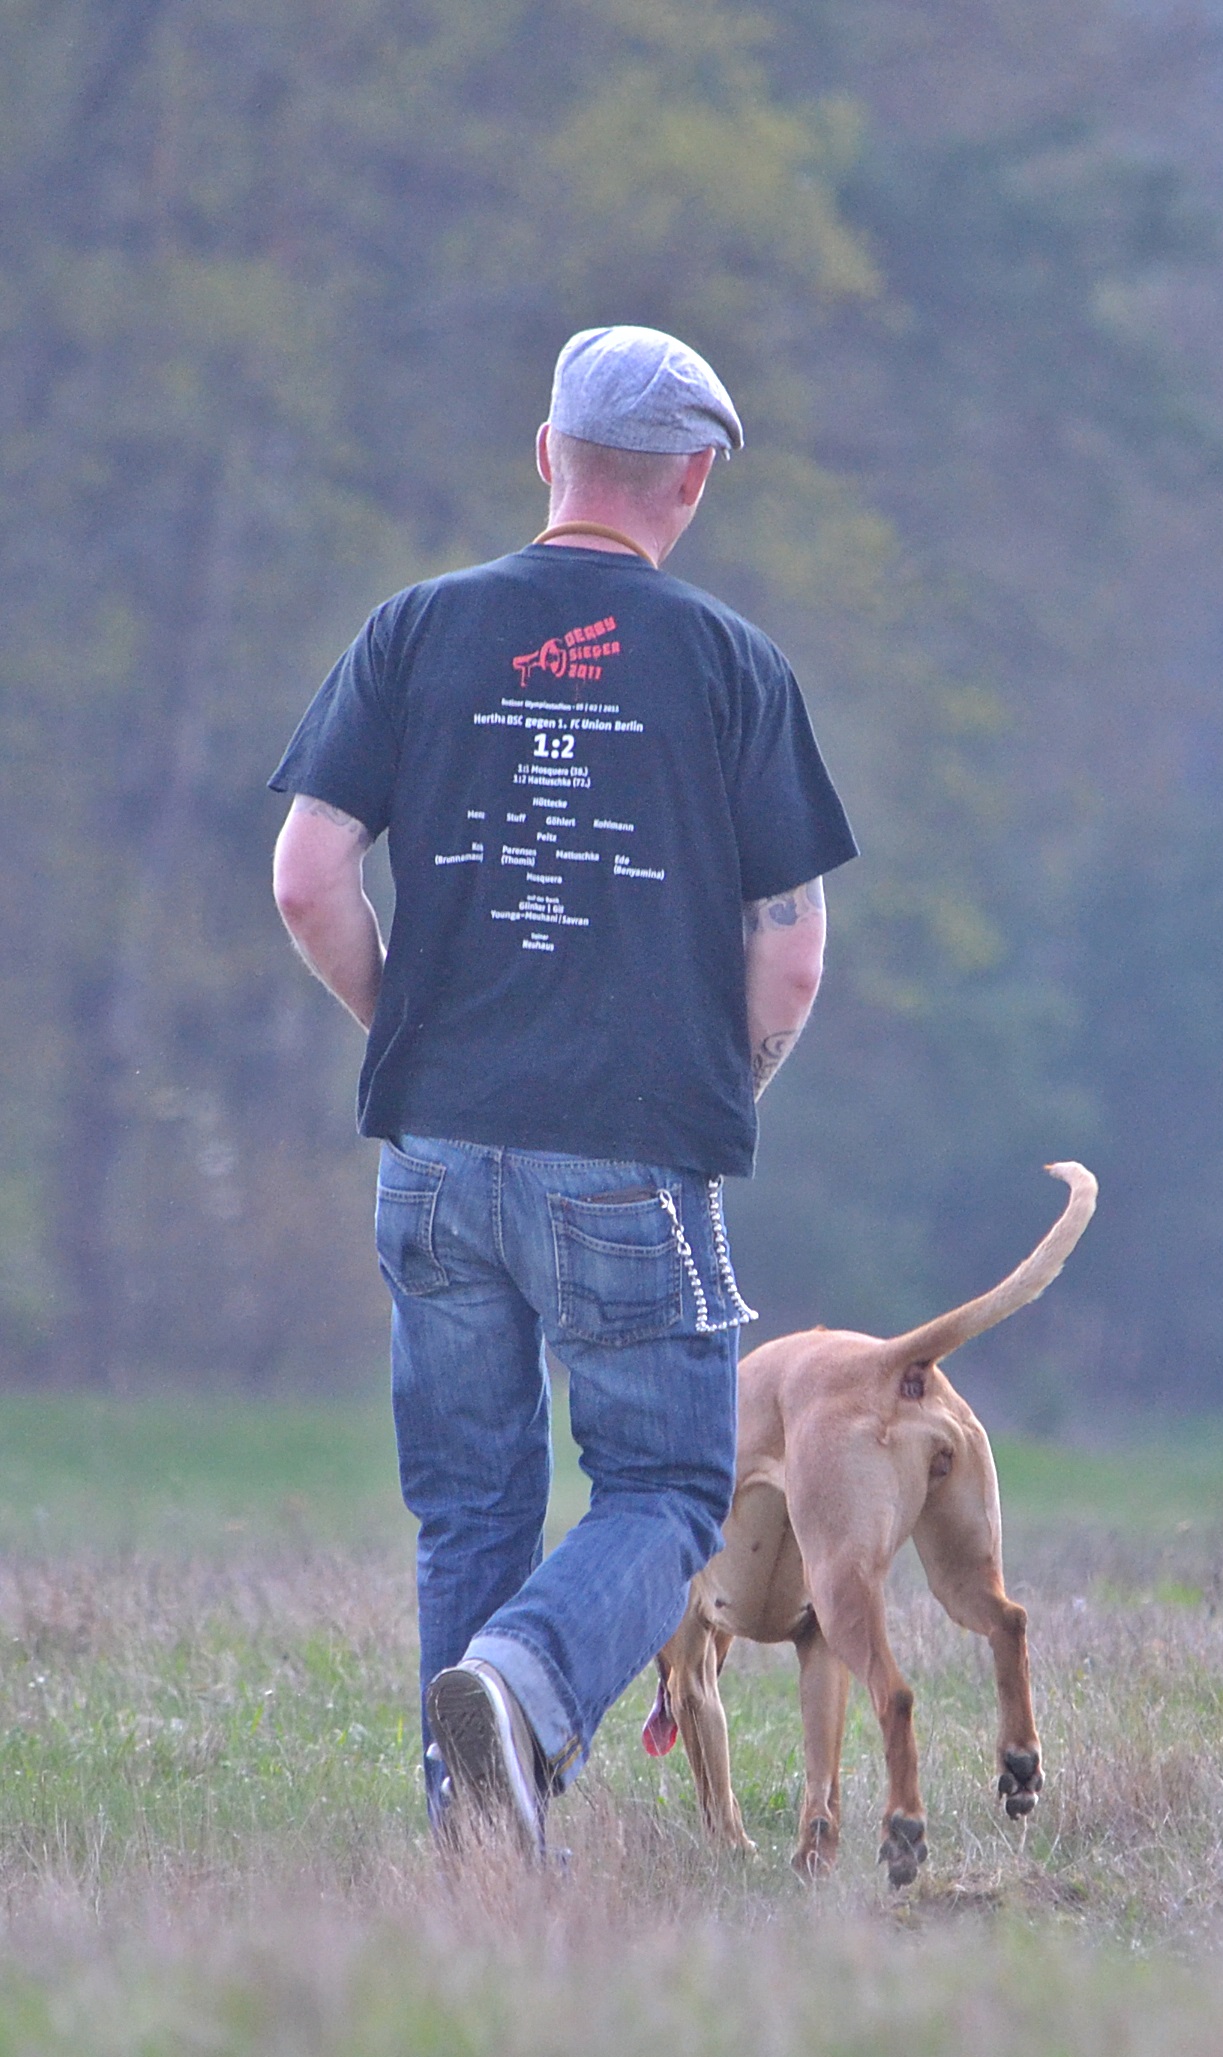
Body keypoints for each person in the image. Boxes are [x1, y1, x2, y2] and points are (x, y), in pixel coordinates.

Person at [269, 325, 857, 1856]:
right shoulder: (731, 666)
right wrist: (718, 1093)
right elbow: (790, 955)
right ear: (695, 478)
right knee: (666, 1488)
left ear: (545, 454)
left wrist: (414, 1039)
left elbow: (308, 877)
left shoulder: (412, 631)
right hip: (629, 1152)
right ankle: (525, 1687)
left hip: (434, 1152)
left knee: (469, 1504)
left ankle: (474, 1845)